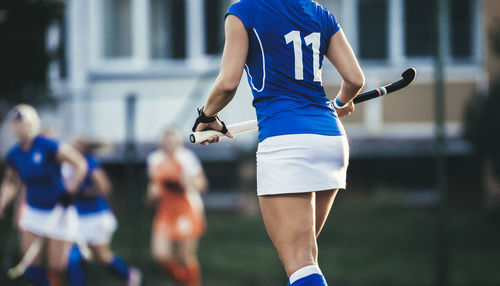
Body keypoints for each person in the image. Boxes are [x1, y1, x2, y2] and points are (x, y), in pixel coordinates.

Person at [191, 0, 365, 285]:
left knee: (300, 262)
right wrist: (341, 102)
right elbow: (355, 78)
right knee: (304, 258)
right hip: (330, 138)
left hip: (287, 142)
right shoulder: (319, 12)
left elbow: (227, 83)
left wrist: (207, 115)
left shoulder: (244, 10)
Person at [0, 104, 88, 286]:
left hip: (58, 211)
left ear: (32, 124)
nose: (18, 127)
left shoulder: (48, 146)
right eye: (14, 123)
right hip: (33, 211)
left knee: (57, 267)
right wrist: (2, 203)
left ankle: (76, 254)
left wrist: (70, 192)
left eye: (22, 122)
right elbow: (10, 183)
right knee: (31, 263)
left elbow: (79, 164)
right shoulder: (14, 154)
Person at [61, 137, 141, 286]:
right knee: (74, 256)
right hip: (76, 217)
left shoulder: (89, 162)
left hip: (96, 216)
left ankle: (128, 275)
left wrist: (80, 191)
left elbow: (104, 188)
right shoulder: (65, 166)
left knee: (101, 256)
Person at [147, 128, 208, 286]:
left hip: (186, 209)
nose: (169, 144)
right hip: (166, 210)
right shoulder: (154, 160)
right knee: (161, 255)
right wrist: (152, 194)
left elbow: (202, 184)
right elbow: (153, 187)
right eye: (166, 140)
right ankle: (182, 279)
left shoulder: (187, 159)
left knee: (185, 257)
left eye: (172, 140)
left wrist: (190, 184)